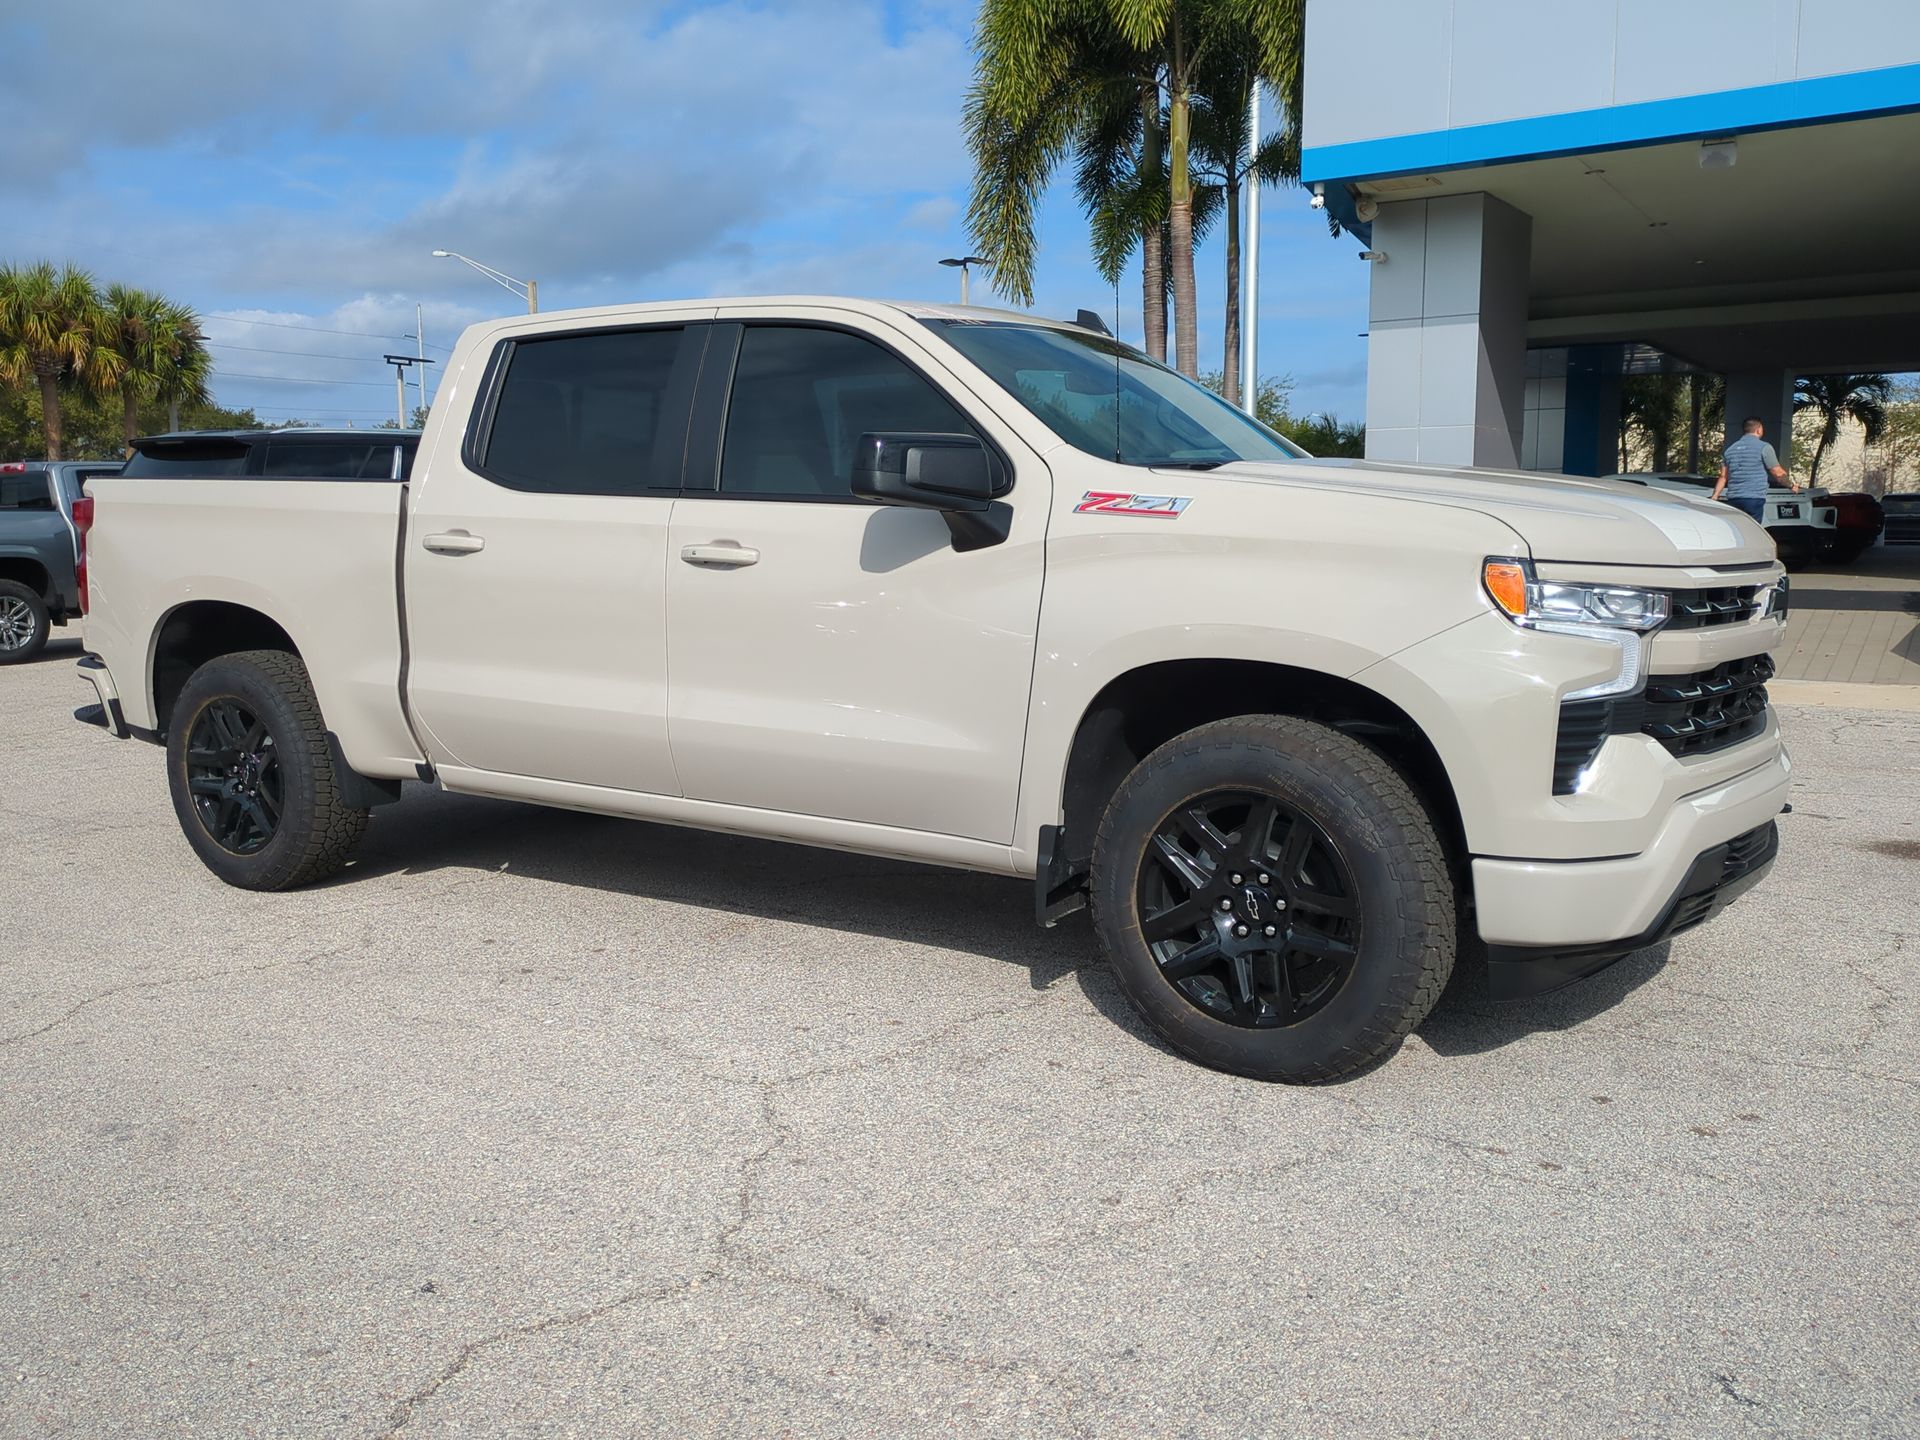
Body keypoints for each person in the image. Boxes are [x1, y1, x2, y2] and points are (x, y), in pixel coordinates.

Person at [1713, 416, 1798, 523]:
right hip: (1753, 499)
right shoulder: (1764, 447)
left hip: (1734, 499)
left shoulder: (1730, 450)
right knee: (1753, 531)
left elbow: (1723, 477)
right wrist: (1792, 485)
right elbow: (1777, 473)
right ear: (1758, 430)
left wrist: (1715, 495)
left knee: (1739, 529)